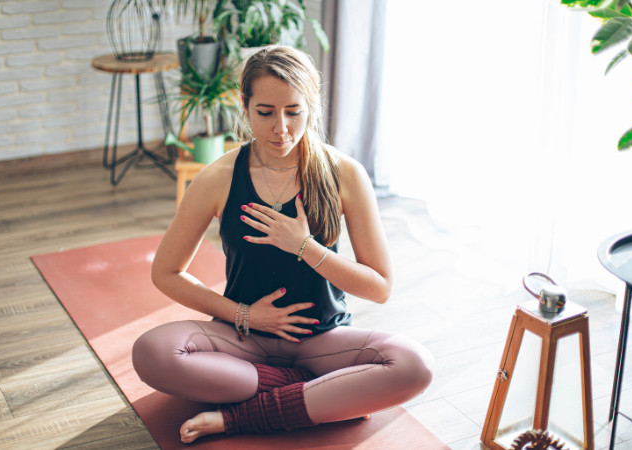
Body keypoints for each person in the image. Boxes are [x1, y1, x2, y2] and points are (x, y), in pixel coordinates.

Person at [132, 46, 435, 444]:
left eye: (294, 111)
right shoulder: (218, 177)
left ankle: (242, 416)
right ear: (245, 104)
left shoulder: (346, 174)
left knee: (416, 365)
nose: (281, 128)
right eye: (265, 112)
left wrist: (304, 246)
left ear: (312, 106)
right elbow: (166, 272)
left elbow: (379, 286)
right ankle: (315, 392)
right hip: (243, 338)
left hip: (323, 339)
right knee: (151, 351)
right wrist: (244, 315)